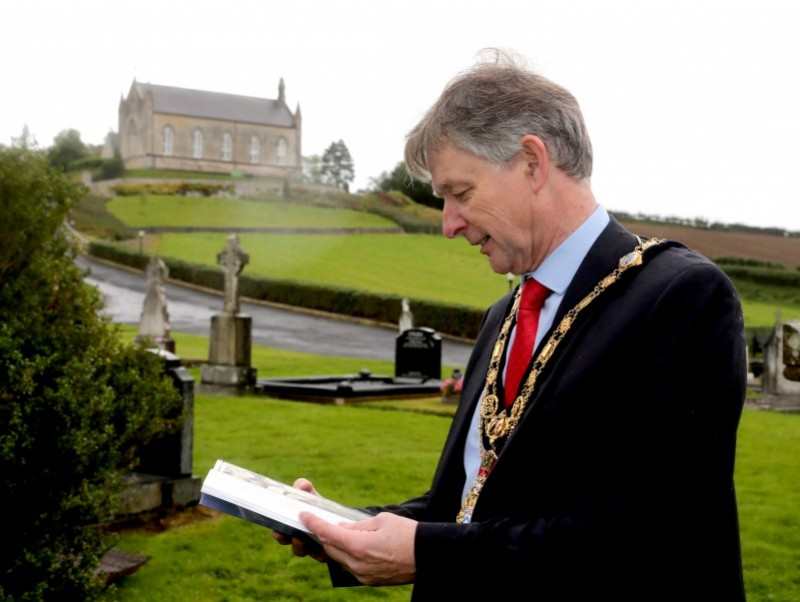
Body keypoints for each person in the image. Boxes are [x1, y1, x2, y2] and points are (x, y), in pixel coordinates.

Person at [273, 49, 747, 600]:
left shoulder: (678, 296)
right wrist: (343, 529)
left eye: (460, 193)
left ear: (531, 163)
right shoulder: (505, 315)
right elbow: (470, 504)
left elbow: (648, 530)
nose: (448, 225)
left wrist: (427, 553)